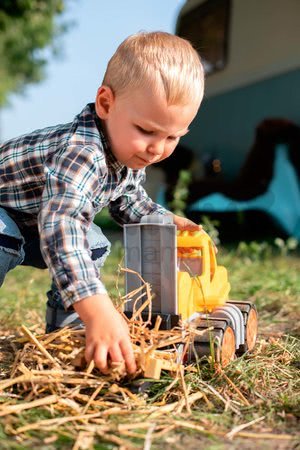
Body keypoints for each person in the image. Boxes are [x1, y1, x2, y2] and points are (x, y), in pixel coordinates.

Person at [0, 31, 205, 375]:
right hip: (9, 219)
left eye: (172, 137)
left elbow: (130, 204)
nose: (157, 148)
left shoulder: (127, 155)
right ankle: (89, 314)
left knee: (94, 243)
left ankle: (68, 329)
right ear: (106, 104)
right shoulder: (82, 153)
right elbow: (62, 223)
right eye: (147, 130)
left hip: (33, 224)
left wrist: (166, 219)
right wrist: (99, 307)